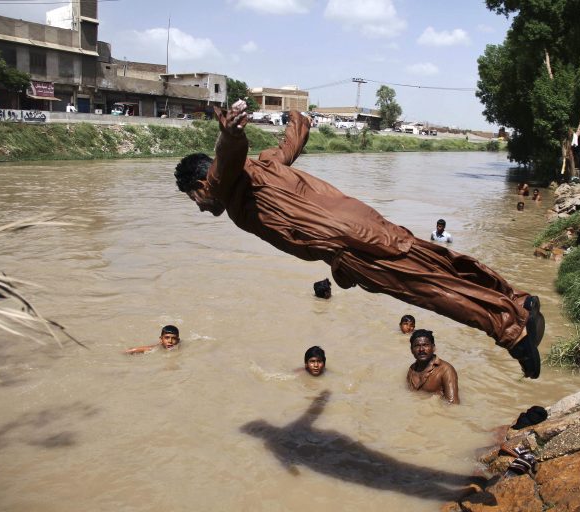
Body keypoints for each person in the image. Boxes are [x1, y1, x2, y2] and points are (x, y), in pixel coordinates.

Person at [174, 107, 545, 379]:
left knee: (426, 289)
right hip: (364, 219)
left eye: (194, 199)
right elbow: (292, 143)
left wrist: (231, 135)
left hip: (346, 245)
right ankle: (517, 299)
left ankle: (511, 331)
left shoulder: (224, 184)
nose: (201, 207)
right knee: (438, 261)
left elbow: (225, 161)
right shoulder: (268, 163)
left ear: (200, 185)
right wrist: (297, 118)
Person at [406, 329, 459, 404]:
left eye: (425, 345)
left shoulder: (446, 370)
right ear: (411, 350)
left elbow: (453, 405)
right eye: (417, 346)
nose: (421, 349)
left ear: (433, 347)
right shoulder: (411, 369)